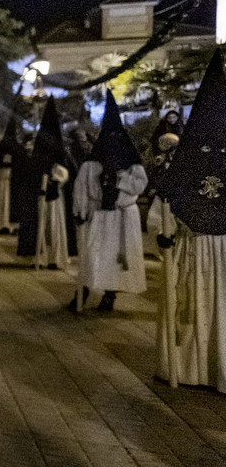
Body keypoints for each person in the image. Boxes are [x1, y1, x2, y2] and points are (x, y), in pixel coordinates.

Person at [155, 49, 226, 391]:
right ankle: (187, 368)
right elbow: (168, 201)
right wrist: (163, 233)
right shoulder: (185, 162)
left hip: (211, 247)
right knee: (194, 307)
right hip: (191, 245)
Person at [68, 92, 147, 312]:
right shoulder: (91, 165)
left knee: (116, 260)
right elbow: (81, 189)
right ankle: (82, 293)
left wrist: (120, 177)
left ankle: (110, 295)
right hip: (98, 216)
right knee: (93, 257)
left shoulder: (132, 166)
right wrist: (80, 212)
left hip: (122, 217)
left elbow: (139, 185)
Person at [18, 97, 77, 268]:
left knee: (54, 228)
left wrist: (56, 180)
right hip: (41, 198)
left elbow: (68, 175)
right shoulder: (41, 155)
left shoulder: (60, 155)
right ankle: (42, 257)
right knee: (42, 228)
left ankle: (54, 258)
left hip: (56, 199)